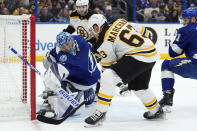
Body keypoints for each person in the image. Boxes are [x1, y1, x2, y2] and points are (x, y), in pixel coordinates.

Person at [84, 14, 165, 127]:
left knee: (107, 76)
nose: (92, 33)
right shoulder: (119, 21)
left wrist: (101, 87)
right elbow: (144, 31)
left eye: (91, 29)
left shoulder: (104, 43)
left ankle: (100, 112)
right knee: (139, 87)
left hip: (138, 56)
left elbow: (108, 70)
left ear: (97, 27)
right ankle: (156, 111)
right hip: (151, 52)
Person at [37, 32, 101, 119]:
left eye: (67, 44)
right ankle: (88, 94)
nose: (66, 48)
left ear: (71, 39)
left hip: (86, 80)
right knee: (53, 74)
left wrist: (51, 76)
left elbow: (48, 65)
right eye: (63, 46)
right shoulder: (78, 38)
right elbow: (47, 62)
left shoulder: (80, 44)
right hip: (90, 82)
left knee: (52, 74)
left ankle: (51, 103)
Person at [159, 7, 197, 112]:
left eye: (185, 19)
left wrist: (173, 44)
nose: (184, 22)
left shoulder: (186, 29)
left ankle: (167, 97)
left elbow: (173, 53)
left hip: (195, 64)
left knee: (166, 64)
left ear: (193, 19)